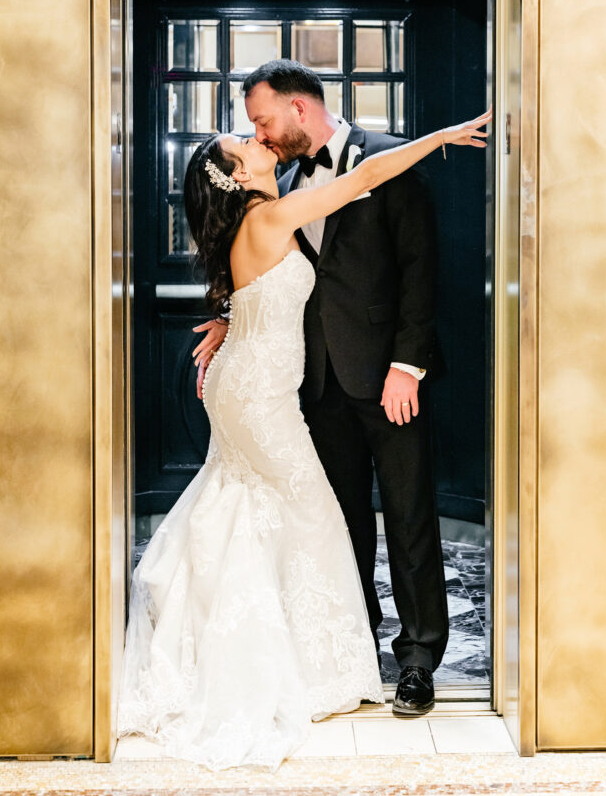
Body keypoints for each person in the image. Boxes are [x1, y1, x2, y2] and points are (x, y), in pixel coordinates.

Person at [116, 92, 491, 770]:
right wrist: (437, 135)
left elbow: (272, 285)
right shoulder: (270, 209)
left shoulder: (263, 208)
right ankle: (309, 662)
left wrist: (233, 320)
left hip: (265, 384)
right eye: (247, 143)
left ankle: (322, 652)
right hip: (265, 394)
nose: (259, 141)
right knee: (315, 517)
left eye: (258, 128)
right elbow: (364, 179)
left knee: (254, 511)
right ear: (235, 177)